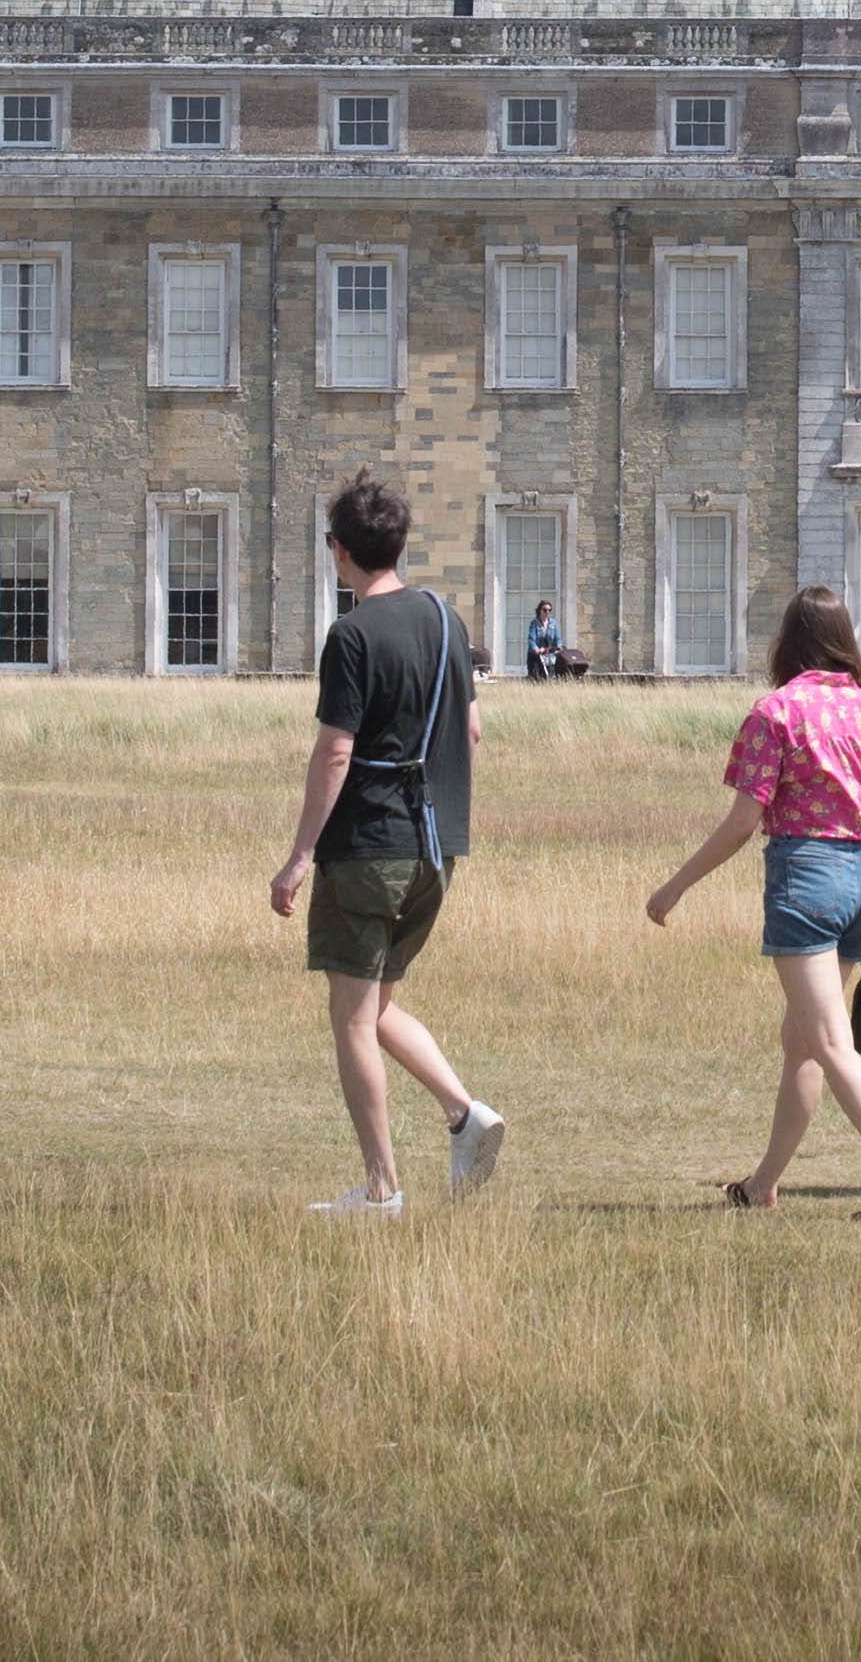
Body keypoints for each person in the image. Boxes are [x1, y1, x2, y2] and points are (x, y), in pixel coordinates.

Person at [646, 584, 861, 1217]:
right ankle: (762, 1185)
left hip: (807, 876)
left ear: (788, 644)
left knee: (827, 1041)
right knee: (802, 1041)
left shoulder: (776, 712)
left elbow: (744, 823)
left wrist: (676, 885)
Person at [266, 475, 502, 1215]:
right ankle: (467, 1115)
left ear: (340, 551)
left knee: (349, 1018)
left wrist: (299, 855)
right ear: (397, 543)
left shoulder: (351, 635)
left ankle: (380, 1190)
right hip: (437, 852)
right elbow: (470, 730)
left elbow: (335, 751)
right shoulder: (445, 619)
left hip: (370, 847)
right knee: (377, 1004)